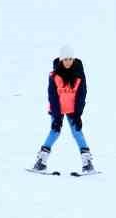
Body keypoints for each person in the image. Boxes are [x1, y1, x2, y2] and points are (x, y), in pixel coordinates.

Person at [33, 46, 95, 174]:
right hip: (58, 109)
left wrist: (78, 115)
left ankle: (88, 164)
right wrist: (56, 117)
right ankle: (41, 162)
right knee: (54, 132)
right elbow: (53, 97)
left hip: (73, 110)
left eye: (70, 59)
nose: (68, 61)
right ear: (61, 60)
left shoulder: (79, 75)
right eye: (65, 59)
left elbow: (81, 95)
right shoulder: (54, 75)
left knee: (77, 133)